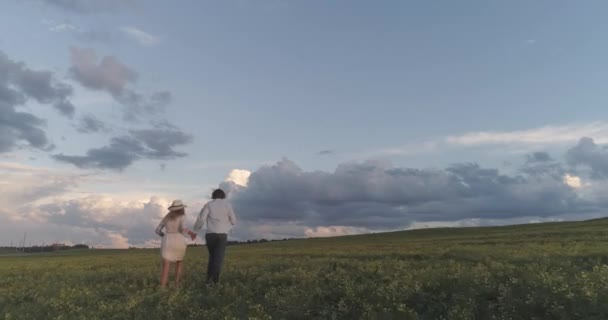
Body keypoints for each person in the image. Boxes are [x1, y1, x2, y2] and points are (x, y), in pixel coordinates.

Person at [192, 189, 237, 284]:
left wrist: (196, 230)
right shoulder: (227, 205)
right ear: (223, 196)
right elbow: (233, 221)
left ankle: (208, 280)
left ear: (213, 195)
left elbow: (201, 219)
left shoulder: (208, 204)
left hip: (210, 234)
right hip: (222, 235)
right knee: (218, 259)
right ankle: (213, 282)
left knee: (212, 257)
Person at [155, 200, 196, 288]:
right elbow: (183, 229)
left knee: (166, 264)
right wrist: (192, 233)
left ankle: (162, 286)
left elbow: (157, 230)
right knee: (179, 262)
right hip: (179, 240)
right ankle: (176, 284)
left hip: (168, 240)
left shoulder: (166, 217)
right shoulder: (182, 216)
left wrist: (164, 236)